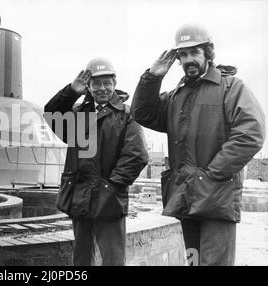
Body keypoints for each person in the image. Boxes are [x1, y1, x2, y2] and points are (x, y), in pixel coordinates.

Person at [131, 23, 266, 266]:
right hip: (186, 198)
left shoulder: (231, 87)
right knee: (193, 262)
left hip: (216, 198)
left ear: (208, 53)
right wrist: (153, 77)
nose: (188, 59)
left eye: (194, 52)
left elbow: (251, 133)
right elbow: (142, 113)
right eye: (183, 55)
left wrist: (211, 175)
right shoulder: (177, 95)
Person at [44, 58, 148, 266]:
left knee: (113, 259)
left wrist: (111, 186)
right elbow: (51, 115)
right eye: (96, 83)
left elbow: (136, 156)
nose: (102, 88)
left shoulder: (127, 115)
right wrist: (71, 91)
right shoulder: (76, 115)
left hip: (110, 198)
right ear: (88, 87)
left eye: (107, 83)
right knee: (82, 257)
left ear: (115, 84)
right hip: (81, 197)